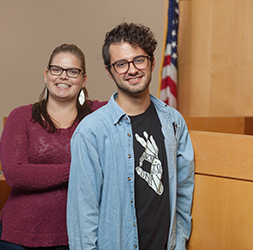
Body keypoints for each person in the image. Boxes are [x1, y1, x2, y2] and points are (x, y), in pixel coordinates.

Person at [67, 22, 195, 249]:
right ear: (109, 71)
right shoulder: (91, 132)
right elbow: (82, 215)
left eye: (139, 60)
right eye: (121, 64)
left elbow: (183, 191)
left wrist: (179, 241)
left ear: (152, 62)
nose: (132, 69)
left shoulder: (174, 122)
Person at [0, 44, 106, 250]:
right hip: (21, 237)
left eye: (73, 72)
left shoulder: (98, 115)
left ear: (84, 79)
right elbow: (15, 174)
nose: (63, 77)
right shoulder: (20, 117)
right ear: (46, 75)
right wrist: (79, 168)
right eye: (57, 70)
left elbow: (131, 103)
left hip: (77, 236)